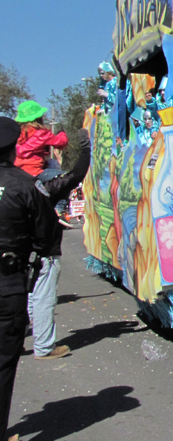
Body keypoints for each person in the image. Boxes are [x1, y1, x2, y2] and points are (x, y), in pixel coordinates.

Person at [0, 116, 58, 441]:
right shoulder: (25, 185)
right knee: (3, 364)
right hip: (7, 284)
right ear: (13, 149)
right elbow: (45, 235)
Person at [28, 129, 91, 362]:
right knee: (43, 297)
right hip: (43, 250)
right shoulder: (43, 186)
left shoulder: (11, 183)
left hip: (18, 251)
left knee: (26, 296)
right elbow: (75, 176)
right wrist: (86, 150)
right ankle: (44, 346)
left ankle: (16, 336)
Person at [13, 102, 68, 178]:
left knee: (50, 163)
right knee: (67, 176)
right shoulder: (42, 133)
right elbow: (61, 142)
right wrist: (62, 134)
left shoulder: (15, 134)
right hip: (35, 173)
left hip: (17, 172)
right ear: (39, 118)